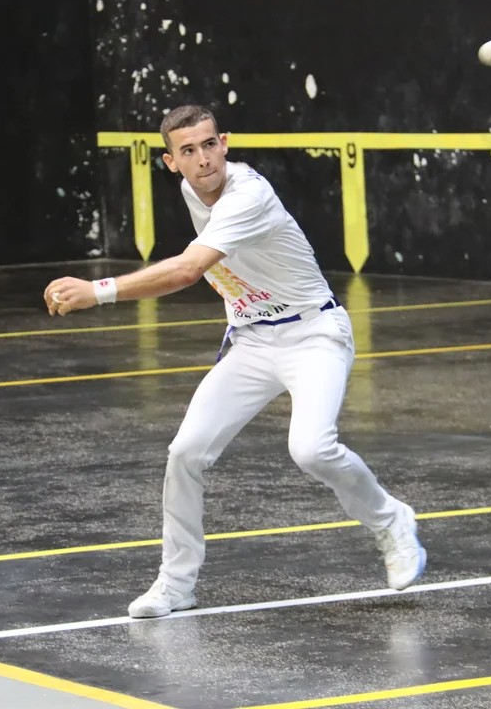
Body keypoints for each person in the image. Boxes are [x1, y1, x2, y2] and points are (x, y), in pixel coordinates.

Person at [42, 105, 425, 618]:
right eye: (188, 151)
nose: (203, 159)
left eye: (209, 144)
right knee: (185, 452)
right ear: (171, 162)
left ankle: (391, 520)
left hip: (314, 334)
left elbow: (187, 270)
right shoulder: (191, 190)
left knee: (311, 449)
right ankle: (176, 584)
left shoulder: (249, 194)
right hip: (252, 342)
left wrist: (99, 290)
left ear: (224, 142)